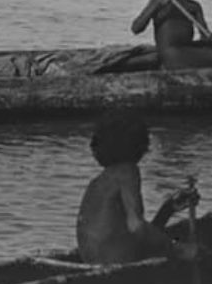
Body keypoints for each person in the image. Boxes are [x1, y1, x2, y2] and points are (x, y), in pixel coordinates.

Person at [75, 111, 200, 265]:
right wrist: (176, 248)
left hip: (95, 259)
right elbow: (136, 226)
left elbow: (135, 235)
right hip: (113, 260)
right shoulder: (128, 171)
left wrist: (168, 208)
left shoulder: (100, 181)